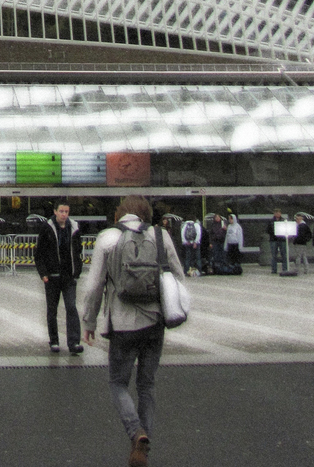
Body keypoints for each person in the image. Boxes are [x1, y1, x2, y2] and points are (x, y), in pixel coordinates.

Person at [82, 195, 185, 467]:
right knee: (147, 385)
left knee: (118, 383)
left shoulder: (107, 238)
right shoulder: (161, 236)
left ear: (120, 214)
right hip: (155, 324)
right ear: (146, 214)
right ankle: (143, 445)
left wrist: (89, 322)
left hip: (122, 324)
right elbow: (178, 276)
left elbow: (93, 287)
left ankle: (136, 432)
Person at [35, 198, 84, 354]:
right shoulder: (47, 228)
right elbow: (39, 253)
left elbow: (78, 251)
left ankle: (74, 342)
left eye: (66, 212)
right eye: (61, 211)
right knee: (52, 309)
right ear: (55, 211)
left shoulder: (74, 227)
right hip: (52, 276)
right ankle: (54, 341)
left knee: (71, 307)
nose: (64, 214)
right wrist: (43, 273)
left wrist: (77, 272)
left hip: (68, 276)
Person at [267, 210, 289, 274]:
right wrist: (274, 233)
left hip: (282, 239)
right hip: (274, 240)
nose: (277, 214)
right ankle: (274, 269)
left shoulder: (284, 221)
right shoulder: (271, 221)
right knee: (274, 255)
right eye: (276, 213)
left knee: (284, 255)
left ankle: (285, 268)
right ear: (274, 213)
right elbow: (268, 230)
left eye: (279, 212)